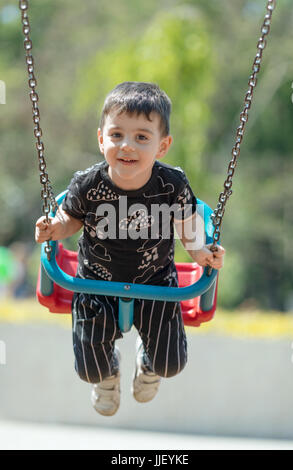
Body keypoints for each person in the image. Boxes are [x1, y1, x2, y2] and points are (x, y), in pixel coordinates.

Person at [35, 82, 225, 416]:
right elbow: (70, 219)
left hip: (156, 282)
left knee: (171, 364)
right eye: (117, 134)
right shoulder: (88, 184)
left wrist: (203, 254)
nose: (127, 145)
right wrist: (54, 228)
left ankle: (148, 361)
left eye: (141, 137)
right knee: (88, 369)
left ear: (162, 145)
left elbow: (188, 228)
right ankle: (107, 372)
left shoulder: (172, 185)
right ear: (101, 138)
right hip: (94, 281)